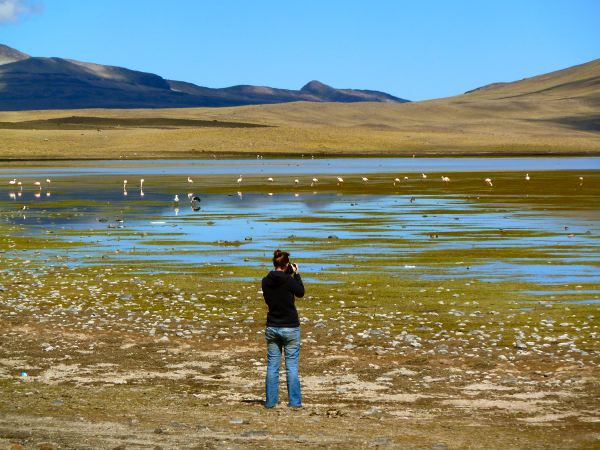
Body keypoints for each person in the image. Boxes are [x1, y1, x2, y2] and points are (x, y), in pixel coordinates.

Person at [262, 249, 305, 408]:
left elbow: (271, 295)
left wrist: (288, 274)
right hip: (290, 327)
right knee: (291, 366)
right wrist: (297, 274)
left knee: (272, 366)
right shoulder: (288, 280)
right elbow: (300, 292)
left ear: (274, 263)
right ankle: (294, 402)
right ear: (286, 264)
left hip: (272, 325)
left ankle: (271, 402)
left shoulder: (265, 281)